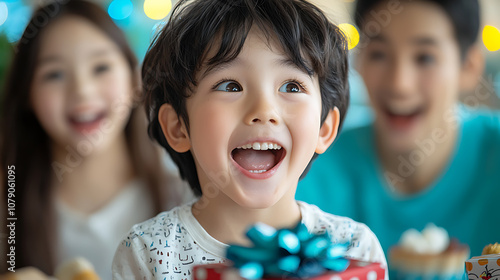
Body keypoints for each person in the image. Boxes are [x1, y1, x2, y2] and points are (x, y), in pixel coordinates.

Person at [112, 0, 388, 279]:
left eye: (291, 86)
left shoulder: (354, 252)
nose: (263, 111)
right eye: (230, 86)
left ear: (324, 129)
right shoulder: (147, 253)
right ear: (178, 128)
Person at [297, 0, 499, 266]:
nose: (399, 84)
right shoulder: (309, 167)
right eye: (379, 54)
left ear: (469, 67)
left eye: (424, 57)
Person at [0, 0, 189, 279]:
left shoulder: (186, 193)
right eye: (54, 74)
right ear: (28, 93)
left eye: (101, 68)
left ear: (134, 78)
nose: (83, 91)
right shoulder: (7, 207)